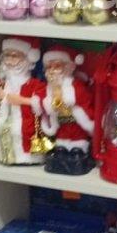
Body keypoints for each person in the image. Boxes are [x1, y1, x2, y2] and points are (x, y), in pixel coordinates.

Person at [40, 45, 95, 175]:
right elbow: (46, 104)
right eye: (49, 67)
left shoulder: (75, 85)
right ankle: (62, 148)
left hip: (76, 121)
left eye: (57, 66)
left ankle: (79, 149)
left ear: (68, 67)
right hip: (61, 123)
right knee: (61, 142)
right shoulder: (48, 87)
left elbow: (76, 100)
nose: (52, 71)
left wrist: (59, 92)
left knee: (77, 139)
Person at [0, 37, 45, 165]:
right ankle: (5, 155)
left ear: (28, 59)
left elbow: (41, 104)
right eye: (7, 56)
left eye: (14, 56)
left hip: (26, 124)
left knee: (18, 132)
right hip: (5, 120)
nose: (9, 61)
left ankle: (25, 158)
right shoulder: (3, 83)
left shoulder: (34, 84)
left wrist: (21, 100)